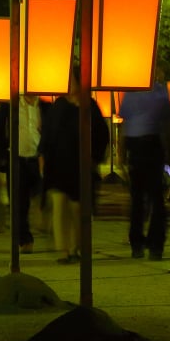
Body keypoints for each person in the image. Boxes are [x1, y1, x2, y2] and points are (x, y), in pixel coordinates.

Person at [40, 67, 109, 264]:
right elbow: (47, 134)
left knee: (79, 209)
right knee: (60, 207)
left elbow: (101, 134)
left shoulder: (90, 106)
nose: (69, 85)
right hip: (58, 166)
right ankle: (63, 250)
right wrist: (43, 159)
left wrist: (94, 158)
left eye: (72, 80)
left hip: (80, 167)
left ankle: (75, 247)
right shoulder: (58, 106)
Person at [119, 77, 170, 261]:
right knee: (156, 198)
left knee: (137, 200)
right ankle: (155, 245)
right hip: (152, 146)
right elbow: (167, 127)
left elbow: (124, 124)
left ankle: (137, 244)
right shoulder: (160, 92)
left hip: (136, 147)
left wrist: (121, 154)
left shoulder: (131, 92)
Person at [0, 94, 45, 254]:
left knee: (42, 195)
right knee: (18, 203)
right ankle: (25, 239)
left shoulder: (44, 107)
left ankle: (41, 221)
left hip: (38, 159)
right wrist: (2, 156)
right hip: (16, 159)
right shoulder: (9, 105)